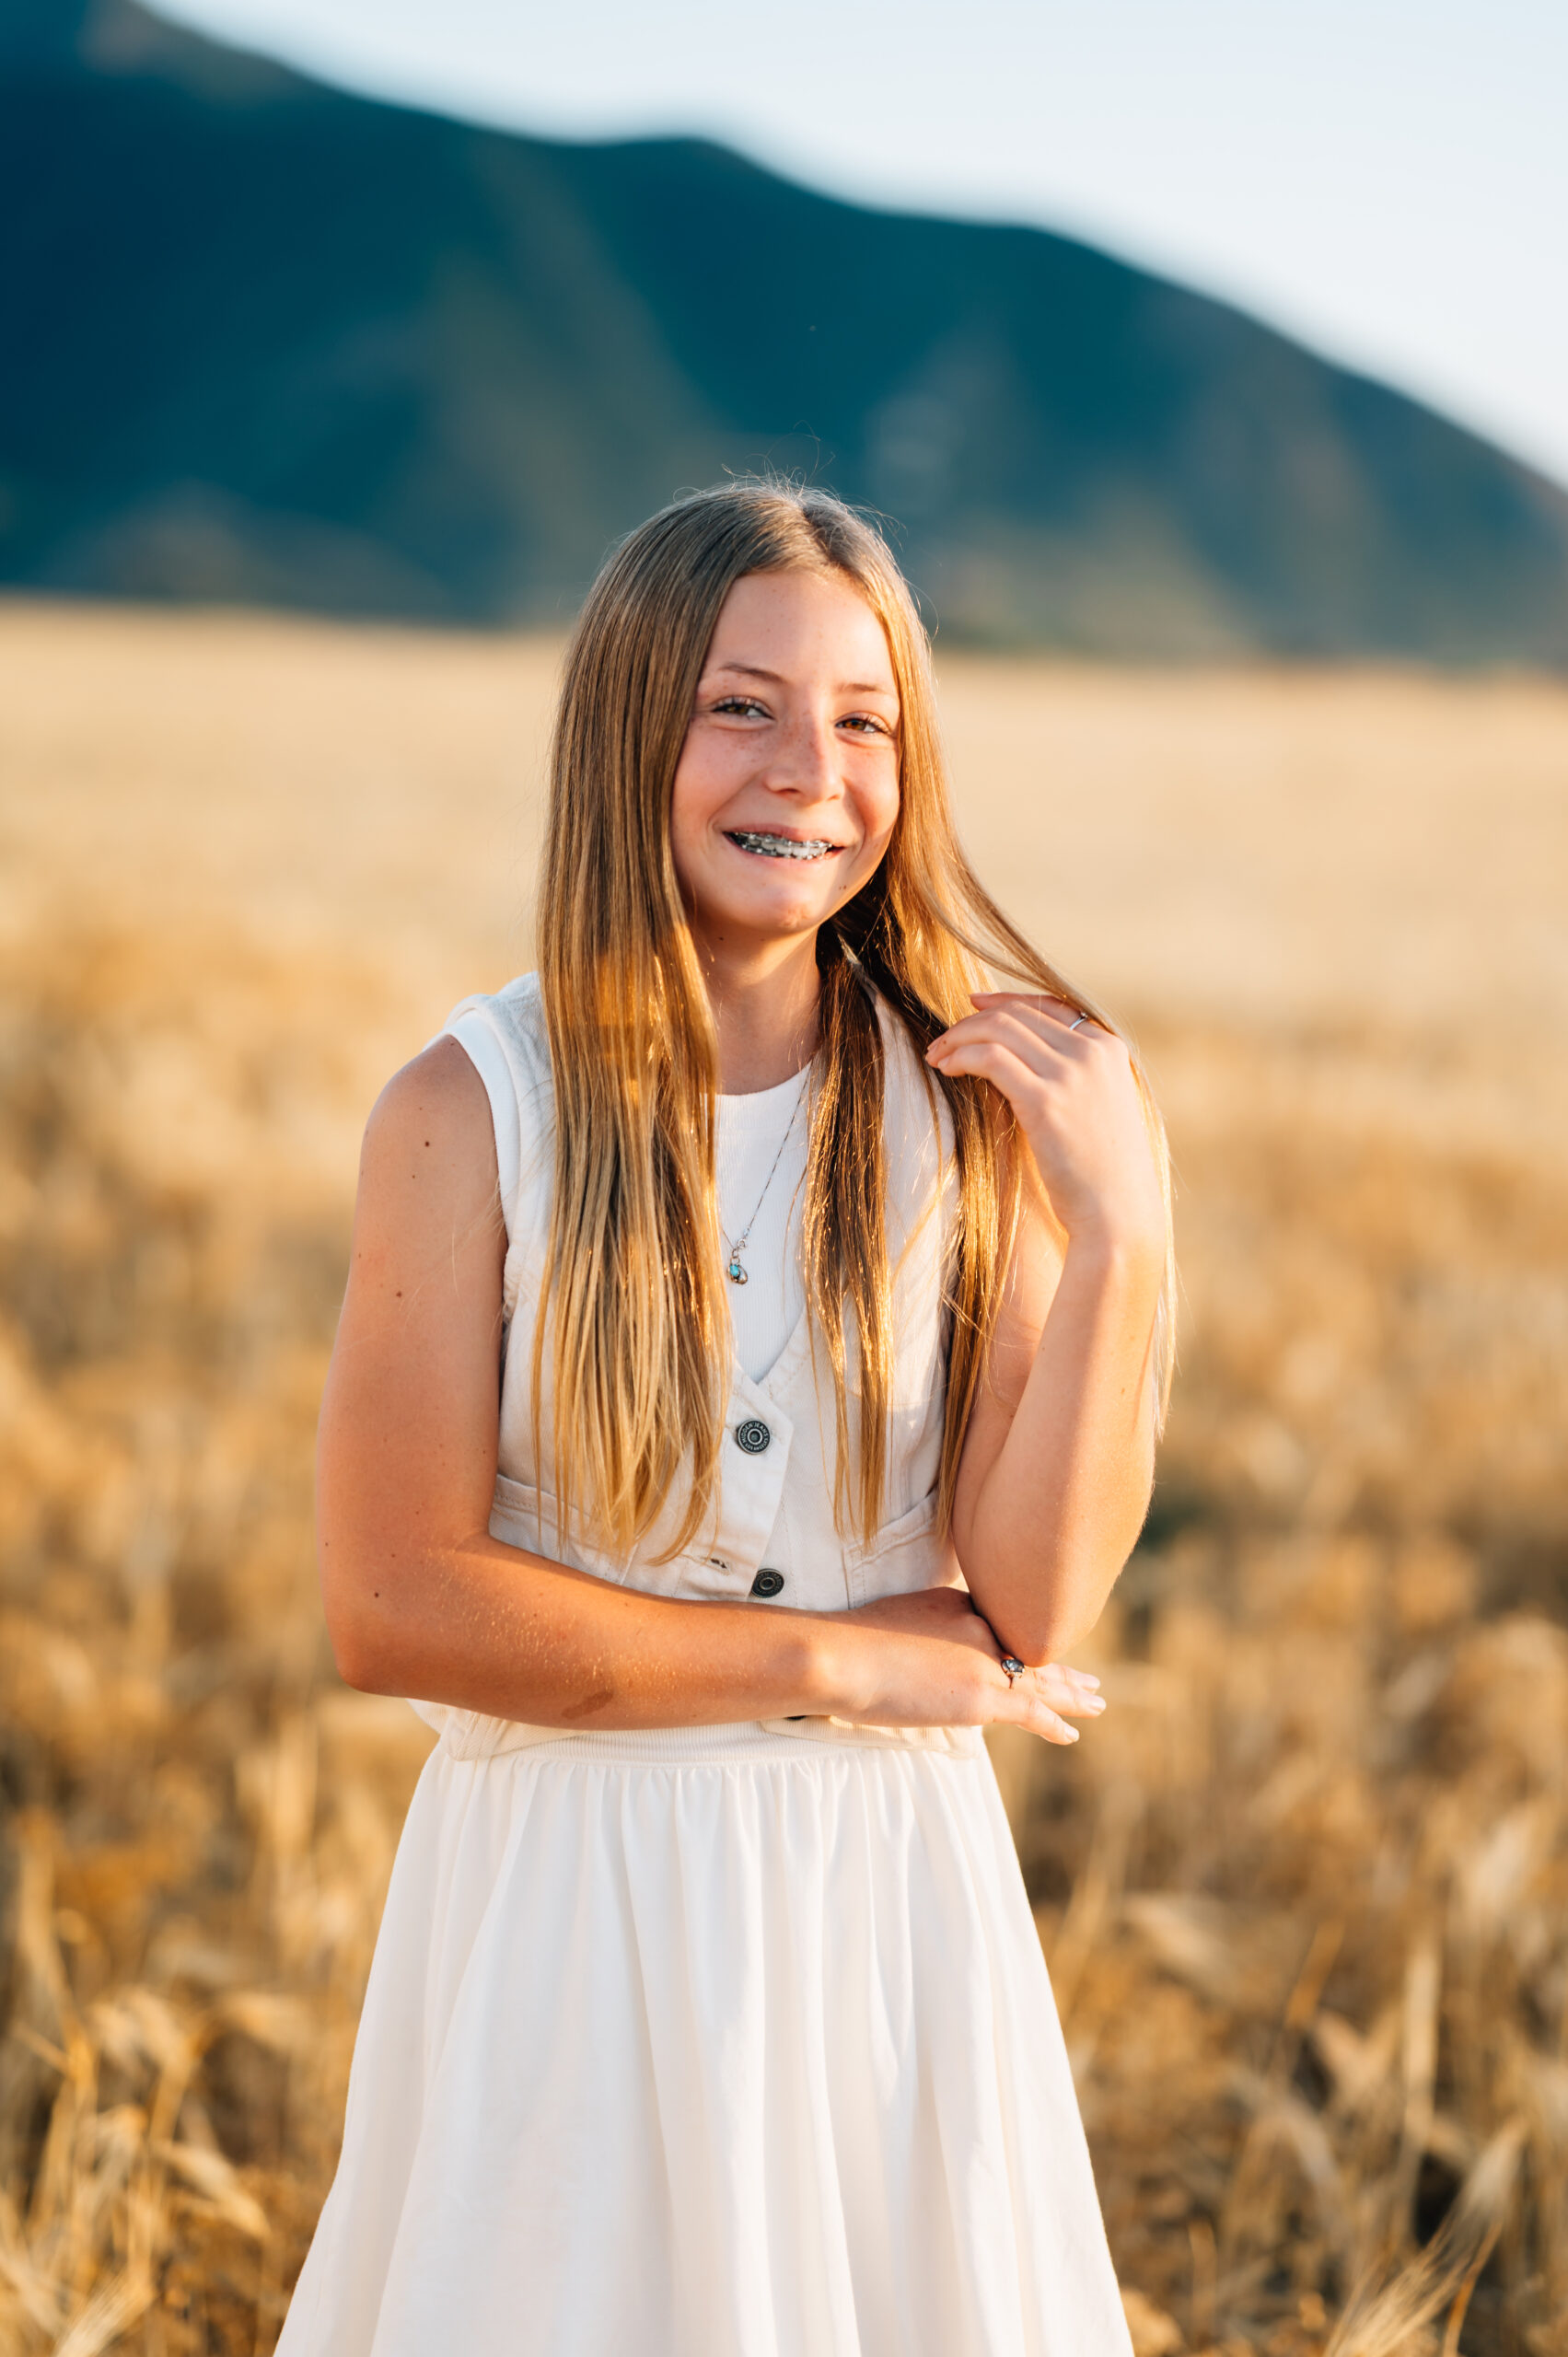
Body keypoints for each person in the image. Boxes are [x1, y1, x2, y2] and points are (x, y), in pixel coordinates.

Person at [278, 481, 1172, 2356]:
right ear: (631, 733)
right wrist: (836, 1664)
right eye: (740, 705)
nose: (811, 771)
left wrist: (1123, 1234)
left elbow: (1029, 1603)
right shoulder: (472, 1107)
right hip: (573, 1924)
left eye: (866, 720)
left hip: (892, 1926)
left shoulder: (967, 1119)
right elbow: (395, 1607)